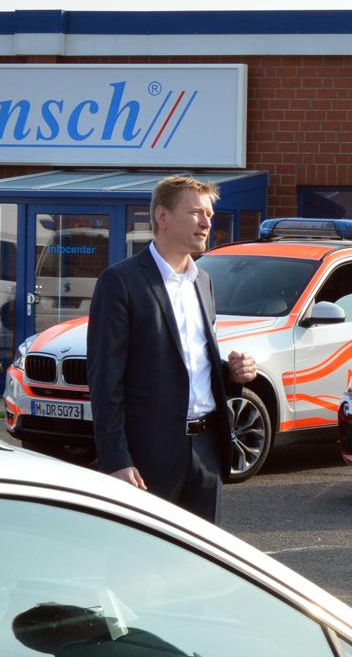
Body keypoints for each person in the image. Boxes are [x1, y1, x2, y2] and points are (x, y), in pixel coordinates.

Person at [87, 174, 257, 523]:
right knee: (143, 551)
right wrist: (116, 459)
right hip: (148, 456)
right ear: (163, 217)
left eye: (209, 214)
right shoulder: (121, 282)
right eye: (196, 213)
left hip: (206, 452)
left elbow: (191, 366)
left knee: (201, 553)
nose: (207, 223)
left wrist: (233, 374)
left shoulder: (203, 281)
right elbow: (105, 381)